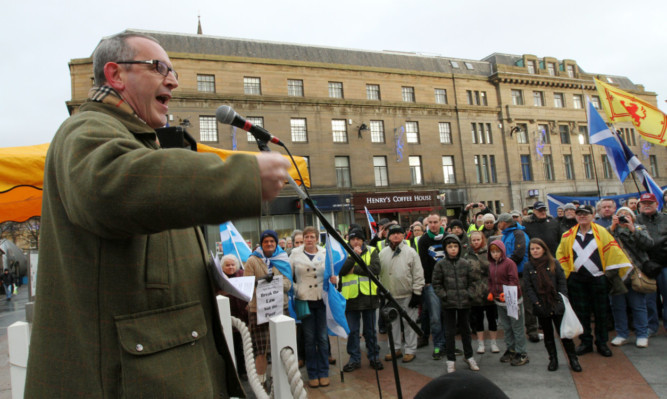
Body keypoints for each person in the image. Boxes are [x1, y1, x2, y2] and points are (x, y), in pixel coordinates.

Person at [24, 32, 290, 398]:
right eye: (159, 68)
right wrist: (240, 177)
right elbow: (112, 189)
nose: (173, 81)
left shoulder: (134, 140)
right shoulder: (86, 129)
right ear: (116, 75)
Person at [556, 205, 632, 357]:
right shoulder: (568, 235)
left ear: (592, 215)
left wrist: (609, 274)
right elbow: (561, 256)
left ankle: (602, 343)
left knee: (601, 314)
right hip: (577, 280)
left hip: (598, 278)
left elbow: (613, 252)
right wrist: (566, 276)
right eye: (579, 214)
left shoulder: (601, 232)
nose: (582, 216)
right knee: (581, 313)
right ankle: (586, 342)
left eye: (585, 214)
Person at [523, 238, 582, 372]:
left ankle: (573, 359)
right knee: (548, 335)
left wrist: (562, 300)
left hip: (556, 302)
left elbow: (562, 282)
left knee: (565, 334)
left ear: (544, 249)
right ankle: (553, 359)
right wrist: (536, 303)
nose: (535, 251)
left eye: (537, 248)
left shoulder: (554, 263)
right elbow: (528, 287)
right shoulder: (528, 266)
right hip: (541, 304)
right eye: (532, 249)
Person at [245, 229, 293, 385]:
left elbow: (288, 283)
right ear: (262, 244)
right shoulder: (252, 260)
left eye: (272, 241)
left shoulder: (283, 258)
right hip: (257, 310)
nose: (269, 244)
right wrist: (263, 283)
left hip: (280, 308)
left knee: (281, 347)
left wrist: (275, 283)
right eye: (266, 241)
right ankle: (261, 382)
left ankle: (278, 381)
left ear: (276, 243)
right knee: (261, 350)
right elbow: (247, 285)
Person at [290, 226, 336, 388]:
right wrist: (297, 290)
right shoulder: (295, 254)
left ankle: (324, 372)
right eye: (306, 237)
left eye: (312, 237)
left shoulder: (325, 253)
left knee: (322, 338)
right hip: (304, 300)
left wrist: (334, 281)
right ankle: (312, 373)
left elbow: (332, 271)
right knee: (309, 339)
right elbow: (289, 277)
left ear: (317, 238)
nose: (309, 239)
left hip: (321, 300)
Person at [433, 234, 479, 373]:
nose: (453, 249)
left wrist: (469, 294)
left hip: (464, 303)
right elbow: (436, 283)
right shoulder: (440, 264)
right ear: (445, 249)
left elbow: (473, 281)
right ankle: (450, 359)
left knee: (466, 330)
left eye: (455, 246)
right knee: (449, 331)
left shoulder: (465, 263)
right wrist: (444, 296)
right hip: (449, 303)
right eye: (450, 246)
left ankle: (469, 356)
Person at [608, 207, 653, 348]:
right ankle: (622, 334)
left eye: (626, 214)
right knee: (618, 306)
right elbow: (603, 243)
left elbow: (648, 244)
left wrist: (632, 229)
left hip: (634, 271)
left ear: (632, 217)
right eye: (620, 214)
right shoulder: (611, 230)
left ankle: (642, 334)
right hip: (616, 274)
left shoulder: (639, 228)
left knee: (638, 305)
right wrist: (613, 227)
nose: (623, 217)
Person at [340, 228, 383, 372]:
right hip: (350, 297)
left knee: (370, 330)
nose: (355, 242)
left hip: (369, 295)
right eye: (352, 239)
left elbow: (375, 269)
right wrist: (353, 257)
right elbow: (341, 270)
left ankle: (374, 357)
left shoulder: (372, 251)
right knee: (353, 331)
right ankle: (354, 358)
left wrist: (355, 269)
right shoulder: (344, 252)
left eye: (358, 239)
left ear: (363, 240)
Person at [380, 225, 425, 364]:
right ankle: (395, 349)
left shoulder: (410, 252)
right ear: (388, 236)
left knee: (409, 323)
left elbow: (418, 273)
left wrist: (417, 293)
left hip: (407, 294)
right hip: (390, 295)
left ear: (403, 235)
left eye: (399, 233)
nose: (396, 236)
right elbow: (379, 273)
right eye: (393, 234)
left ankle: (410, 350)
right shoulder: (383, 253)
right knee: (392, 324)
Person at [487, 240, 529, 366]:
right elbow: (490, 280)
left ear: (502, 251)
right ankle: (511, 349)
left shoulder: (509, 263)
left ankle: (521, 352)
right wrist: (491, 291)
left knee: (517, 327)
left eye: (497, 251)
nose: (495, 254)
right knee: (506, 327)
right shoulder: (491, 264)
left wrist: (507, 291)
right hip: (499, 301)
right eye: (493, 252)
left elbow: (514, 280)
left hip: (512, 300)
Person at [498, 213, 536, 342]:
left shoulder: (518, 233)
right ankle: (515, 332)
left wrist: (504, 264)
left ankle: (532, 330)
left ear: (504, 222)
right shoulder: (505, 235)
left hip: (521, 274)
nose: (498, 225)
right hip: (510, 275)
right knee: (512, 305)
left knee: (527, 304)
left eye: (499, 222)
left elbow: (519, 253)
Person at [636, 193, 667, 336]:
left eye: (650, 203)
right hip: (646, 266)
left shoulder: (665, 219)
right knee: (649, 299)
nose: (647, 205)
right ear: (640, 206)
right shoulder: (635, 221)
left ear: (657, 204)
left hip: (665, 264)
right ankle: (651, 326)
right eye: (644, 203)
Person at [464, 231, 499, 355]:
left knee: (491, 318)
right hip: (474, 292)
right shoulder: (467, 255)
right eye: (473, 240)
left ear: (482, 240)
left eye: (478, 240)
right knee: (477, 320)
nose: (476, 242)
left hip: (488, 291)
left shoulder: (489, 253)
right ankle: (481, 343)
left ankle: (493, 342)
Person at [417, 213, 447, 360]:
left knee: (447, 315)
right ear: (427, 224)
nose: (433, 225)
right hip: (431, 284)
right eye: (431, 222)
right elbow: (423, 262)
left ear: (441, 222)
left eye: (436, 222)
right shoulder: (423, 240)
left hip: (448, 283)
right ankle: (438, 344)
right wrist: (427, 281)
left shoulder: (447, 237)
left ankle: (448, 343)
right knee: (435, 317)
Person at [219, 255, 249, 380]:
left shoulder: (242, 274)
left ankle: (244, 370)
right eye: (227, 265)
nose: (231, 267)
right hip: (227, 315)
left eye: (233, 265)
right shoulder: (220, 278)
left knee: (244, 345)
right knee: (233, 345)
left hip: (243, 314)